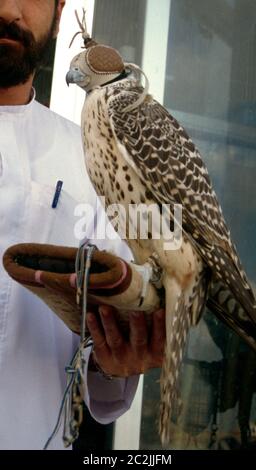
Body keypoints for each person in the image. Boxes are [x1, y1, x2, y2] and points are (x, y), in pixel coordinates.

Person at [0, 0, 165, 450]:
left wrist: (116, 358)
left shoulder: (95, 162)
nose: (10, 8)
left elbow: (103, 373)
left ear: (58, 12)